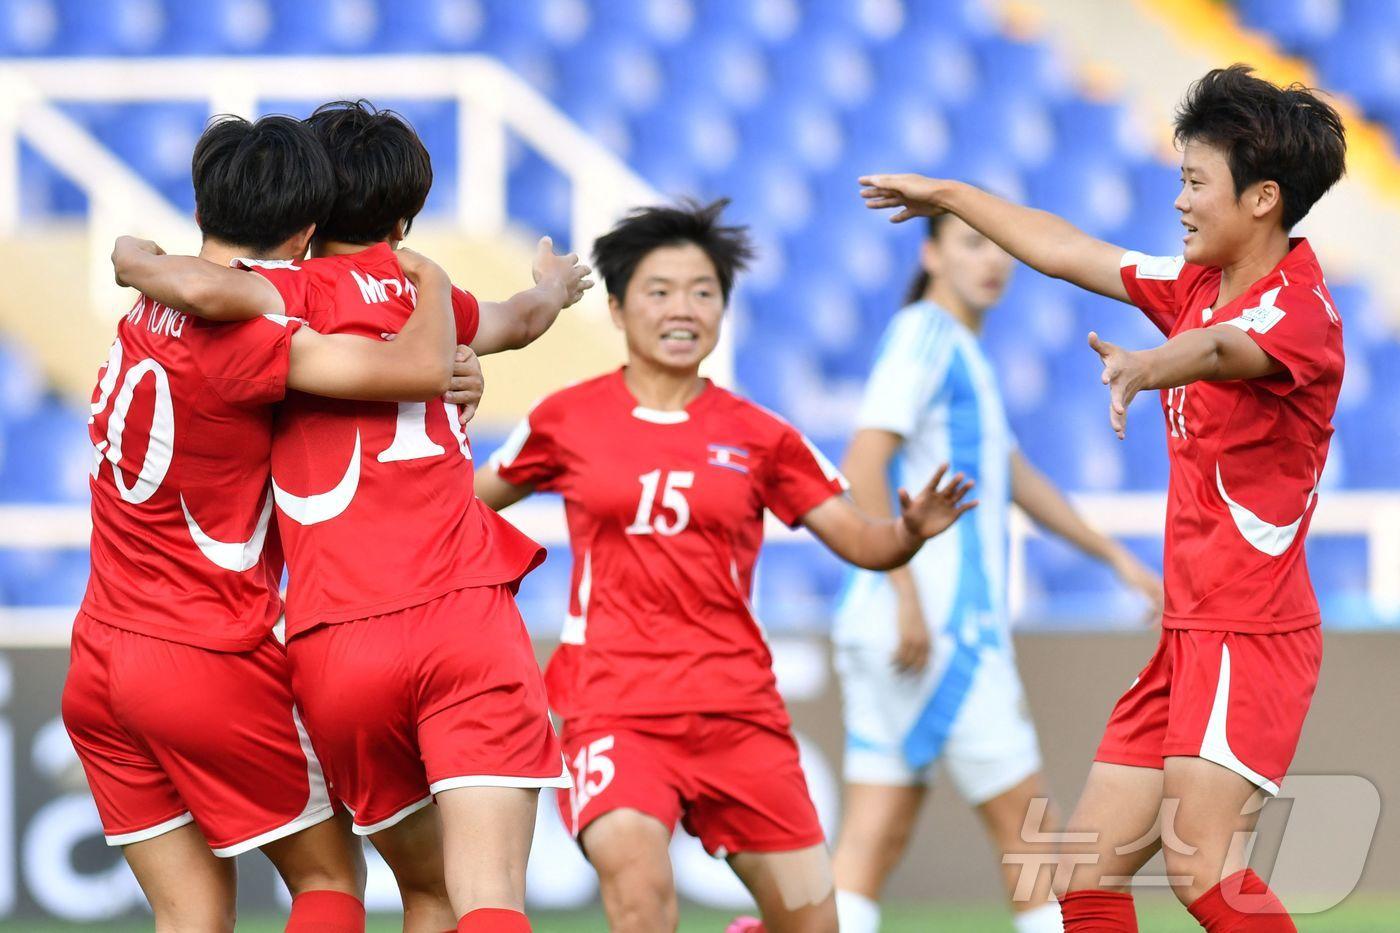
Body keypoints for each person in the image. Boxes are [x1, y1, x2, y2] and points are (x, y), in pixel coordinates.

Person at [859, 64, 1346, 932]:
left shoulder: (1299, 314)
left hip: (1249, 634)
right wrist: (950, 194)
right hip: (1186, 635)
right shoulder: (1195, 284)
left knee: (1204, 868)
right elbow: (1064, 246)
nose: (1181, 202)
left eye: (1196, 182)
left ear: (1264, 198)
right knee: (1082, 874)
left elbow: (1223, 352)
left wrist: (1147, 365)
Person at [117, 100, 591, 933]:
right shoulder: (430, 297)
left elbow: (195, 285)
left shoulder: (275, 296)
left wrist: (130, 253)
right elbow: (522, 319)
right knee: (485, 896)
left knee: (421, 890)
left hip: (336, 645)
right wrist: (551, 286)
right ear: (405, 215)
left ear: (309, 215)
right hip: (461, 613)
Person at [474, 199, 979, 933]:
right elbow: (463, 503)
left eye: (703, 292)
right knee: (640, 894)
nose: (684, 309)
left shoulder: (761, 436)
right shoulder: (566, 419)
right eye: (660, 291)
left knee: (813, 923)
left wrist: (907, 531)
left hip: (736, 711)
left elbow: (861, 541)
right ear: (616, 308)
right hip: (612, 706)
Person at [65, 114, 471, 933]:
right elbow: (417, 368)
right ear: (310, 230)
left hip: (100, 656)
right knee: (328, 876)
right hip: (201, 651)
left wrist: (135, 256)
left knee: (192, 914)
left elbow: (141, 256)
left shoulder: (149, 303)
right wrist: (433, 301)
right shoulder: (256, 338)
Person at [830, 214, 1164, 933]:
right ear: (930, 254)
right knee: (1032, 841)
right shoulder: (925, 334)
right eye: (970, 243)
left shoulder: (960, 350)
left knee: (870, 839)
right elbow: (861, 462)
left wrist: (1115, 558)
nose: (992, 260)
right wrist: (906, 591)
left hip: (893, 622)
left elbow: (1012, 476)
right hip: (944, 623)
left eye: (999, 244)